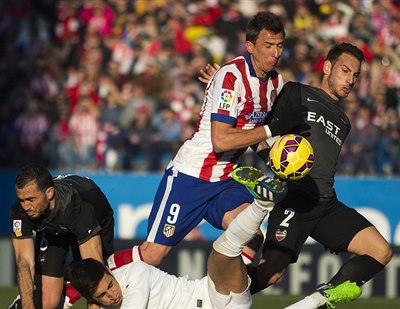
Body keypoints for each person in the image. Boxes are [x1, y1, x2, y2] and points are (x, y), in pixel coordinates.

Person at [111, 11, 305, 268]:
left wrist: (277, 161)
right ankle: (90, 278)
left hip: (225, 179)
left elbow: (253, 133)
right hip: (192, 175)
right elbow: (221, 141)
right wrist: (272, 130)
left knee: (252, 237)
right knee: (152, 256)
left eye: (280, 46)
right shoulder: (230, 76)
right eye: (268, 46)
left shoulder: (275, 83)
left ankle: (219, 296)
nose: (275, 53)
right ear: (250, 46)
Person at [248, 42, 393, 308]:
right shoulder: (296, 92)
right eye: (345, 71)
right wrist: (272, 160)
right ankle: (212, 297)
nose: (350, 80)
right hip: (293, 198)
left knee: (381, 250)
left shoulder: (343, 120)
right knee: (270, 273)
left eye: (356, 75)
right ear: (327, 67)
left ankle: (314, 302)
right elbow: (257, 132)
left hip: (325, 202)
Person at [66, 167, 286, 309]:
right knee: (239, 246)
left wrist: (70, 296)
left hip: (212, 296)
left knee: (225, 248)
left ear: (109, 273)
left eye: (110, 286)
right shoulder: (105, 291)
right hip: (231, 304)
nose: (112, 295)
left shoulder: (135, 273)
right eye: (103, 296)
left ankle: (262, 204)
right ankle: (315, 299)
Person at [9, 164, 115, 309]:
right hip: (54, 229)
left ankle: (73, 285)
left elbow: (95, 273)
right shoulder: (21, 210)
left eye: (31, 199)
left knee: (100, 283)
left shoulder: (78, 208)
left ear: (49, 193)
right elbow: (24, 261)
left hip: (95, 221)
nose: (26, 206)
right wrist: (27, 306)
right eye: (21, 200)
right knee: (48, 303)